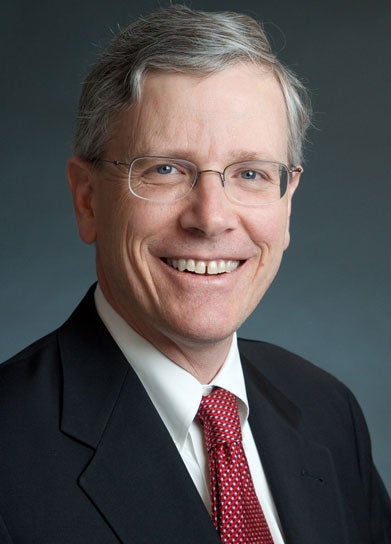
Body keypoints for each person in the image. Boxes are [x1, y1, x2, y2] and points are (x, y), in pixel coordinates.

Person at [0, 5, 389, 543]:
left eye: (251, 173)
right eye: (165, 169)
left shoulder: (327, 411)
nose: (211, 218)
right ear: (87, 200)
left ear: (288, 202)